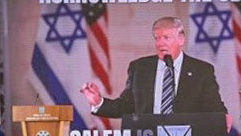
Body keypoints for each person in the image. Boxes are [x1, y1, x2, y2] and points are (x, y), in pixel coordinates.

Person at [80, 17, 230, 127]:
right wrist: (98, 102)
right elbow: (126, 106)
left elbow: (213, 105)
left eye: (166, 37)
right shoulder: (139, 68)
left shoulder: (201, 70)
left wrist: (223, 117)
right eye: (157, 38)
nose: (160, 43)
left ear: (181, 39)